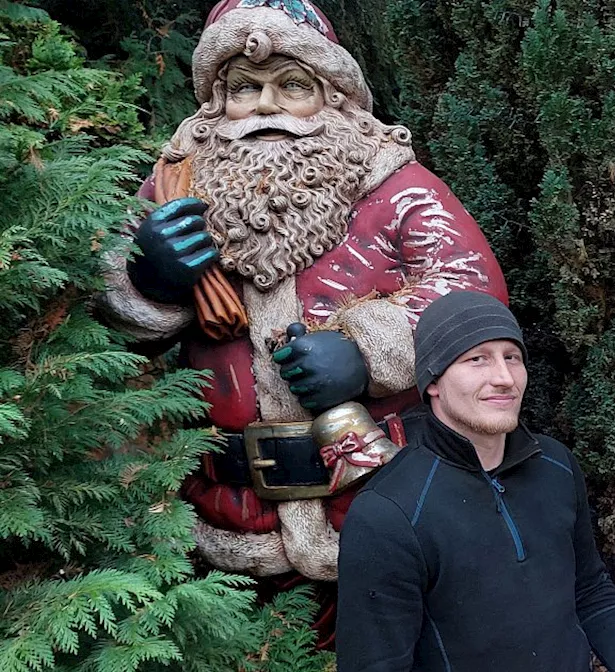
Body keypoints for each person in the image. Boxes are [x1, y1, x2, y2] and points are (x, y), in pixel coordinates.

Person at [96, 0, 507, 620]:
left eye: (291, 86)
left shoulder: (395, 185)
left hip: (374, 495)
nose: (264, 106)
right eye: (242, 89)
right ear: (215, 105)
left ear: (333, 96)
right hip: (227, 509)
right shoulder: (175, 185)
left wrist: (369, 350)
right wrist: (145, 278)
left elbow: (471, 287)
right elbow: (103, 329)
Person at [336, 291, 615, 672]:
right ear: (433, 382)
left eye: (513, 357)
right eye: (477, 359)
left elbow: (590, 590)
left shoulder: (555, 465)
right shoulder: (388, 514)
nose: (505, 378)